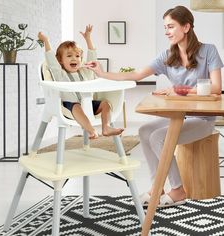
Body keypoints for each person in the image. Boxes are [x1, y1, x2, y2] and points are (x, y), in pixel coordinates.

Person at [85, 6, 223, 206]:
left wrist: (179, 90)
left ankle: (177, 190)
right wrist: (103, 73)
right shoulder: (166, 56)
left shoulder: (208, 50)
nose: (167, 31)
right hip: (179, 116)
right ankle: (156, 188)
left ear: (186, 27)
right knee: (144, 131)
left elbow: (217, 88)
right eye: (165, 27)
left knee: (158, 137)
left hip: (202, 119)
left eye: (171, 26)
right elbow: (137, 75)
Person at [38, 25, 124, 139]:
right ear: (60, 61)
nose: (74, 58)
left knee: (105, 104)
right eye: (69, 56)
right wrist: (46, 41)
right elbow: (51, 61)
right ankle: (91, 130)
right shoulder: (60, 73)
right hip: (70, 105)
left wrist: (88, 38)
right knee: (77, 106)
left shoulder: (85, 72)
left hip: (88, 103)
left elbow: (92, 58)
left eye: (77, 56)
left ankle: (106, 127)